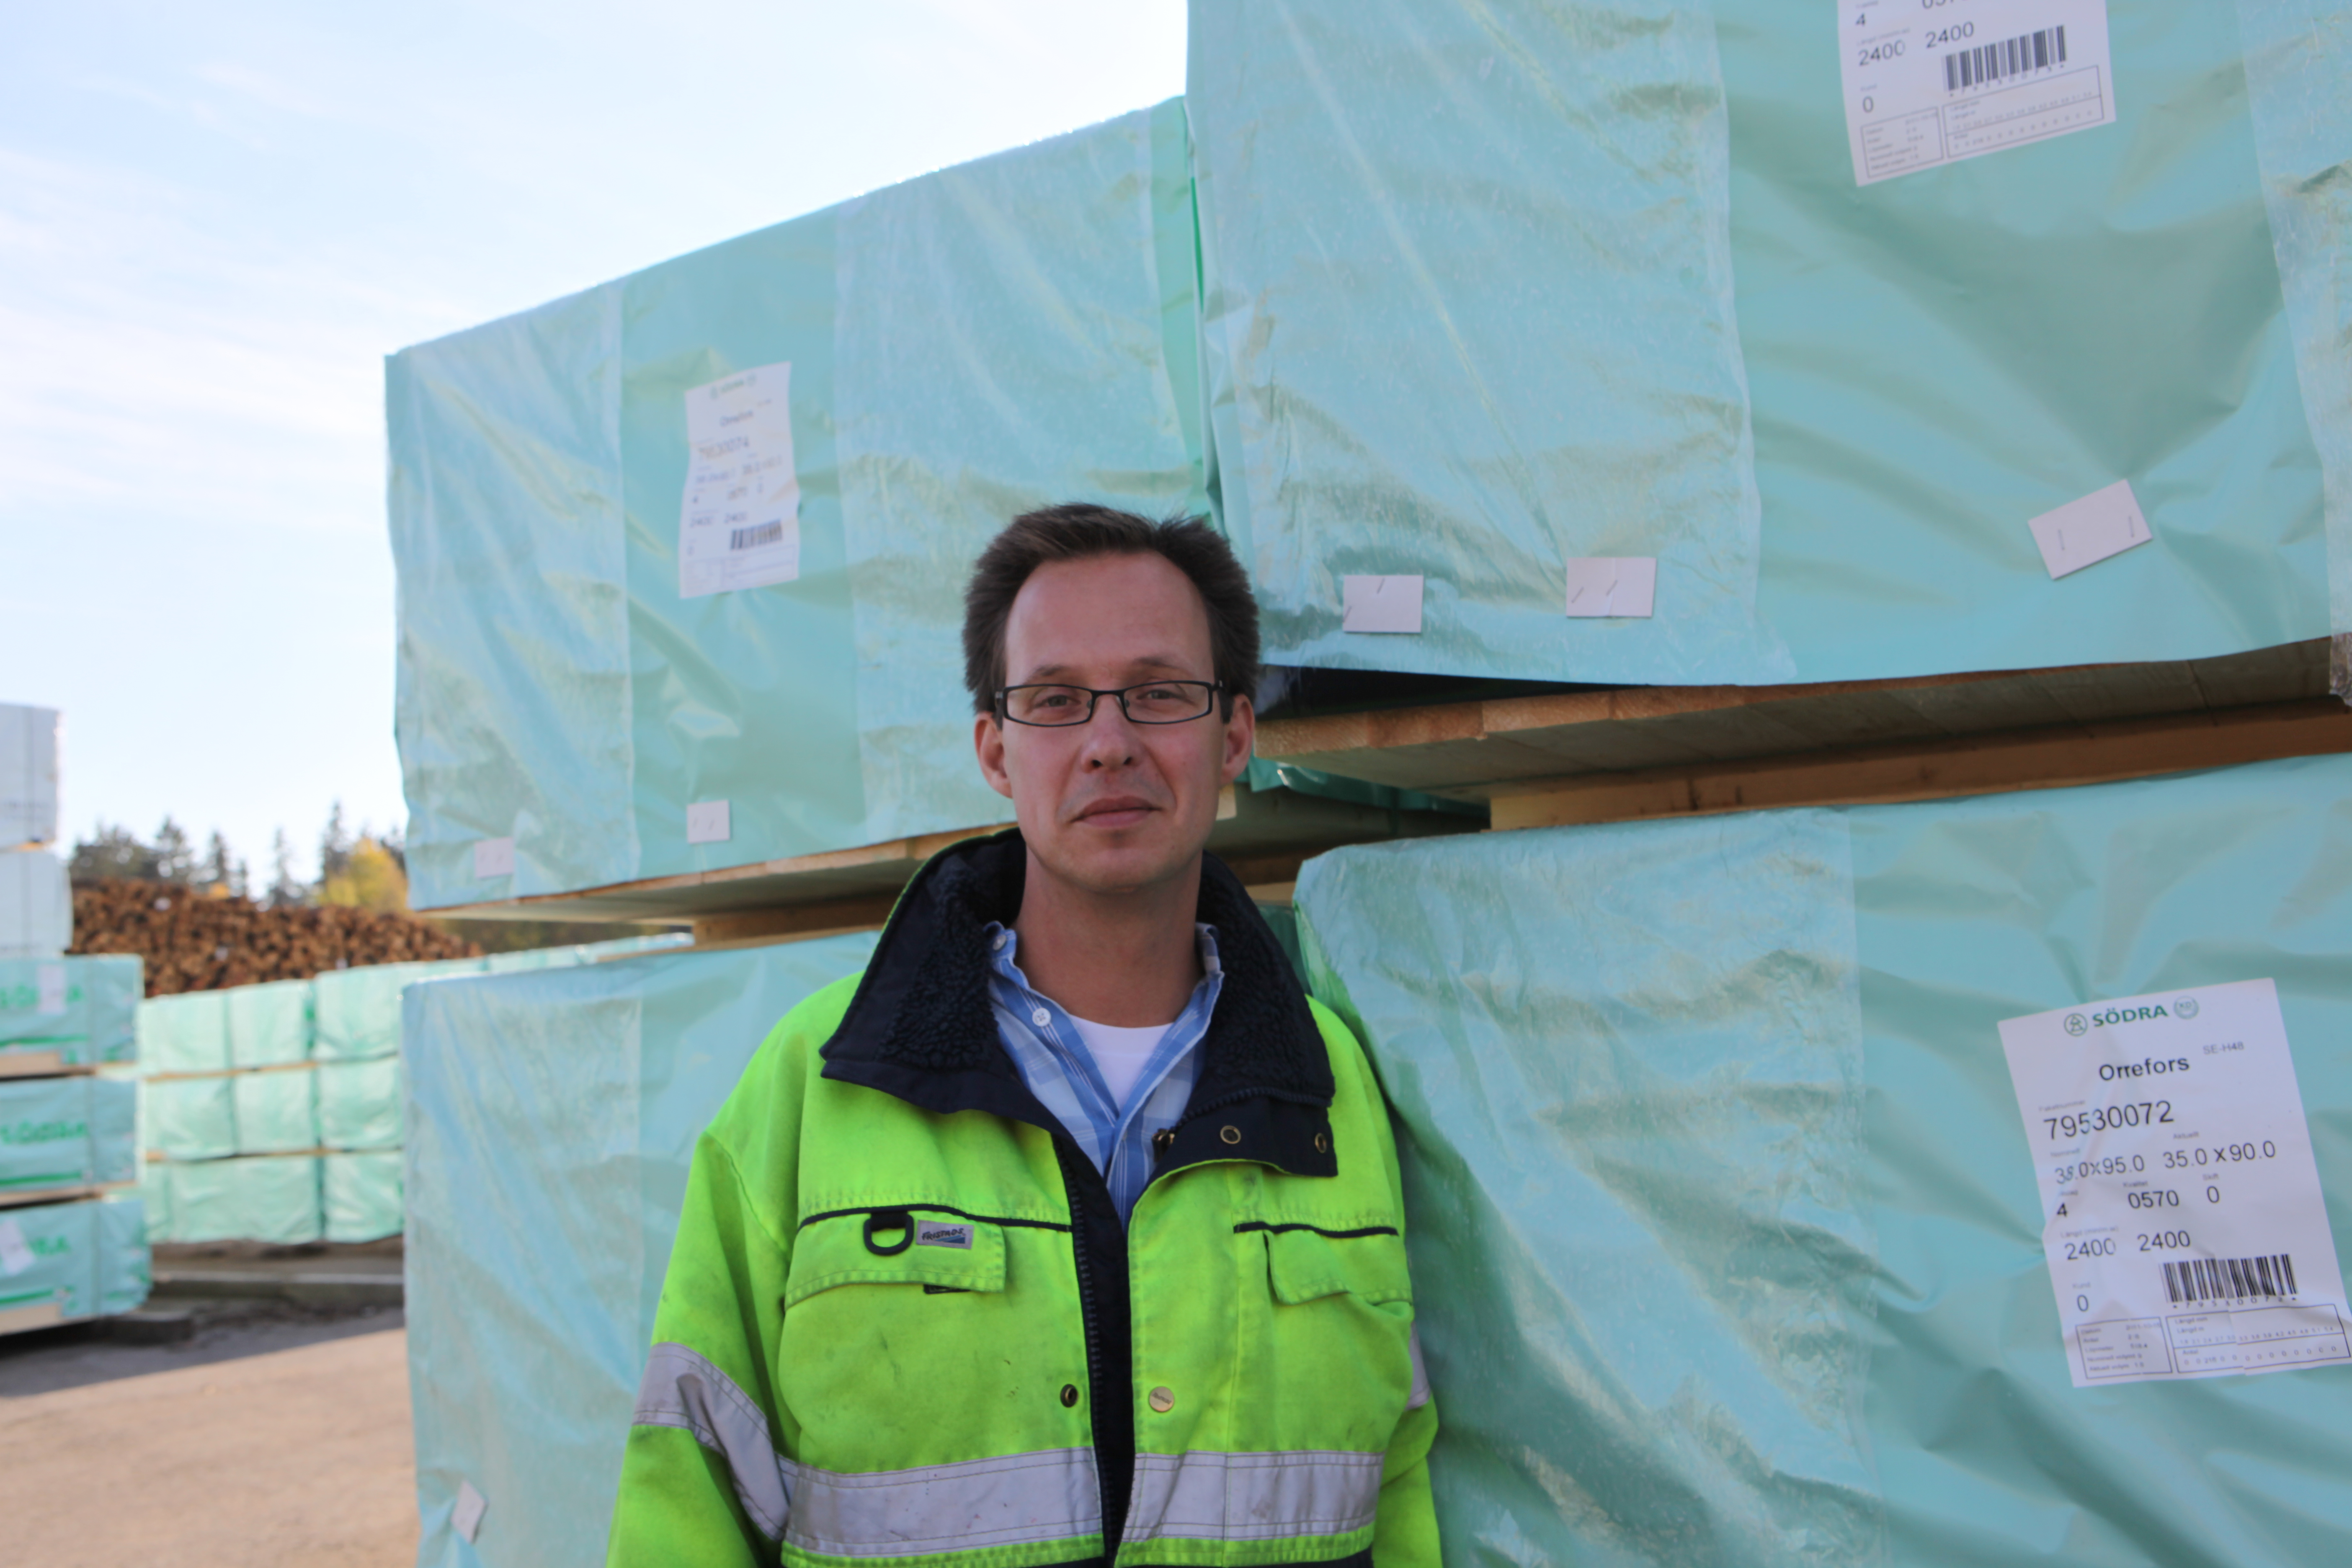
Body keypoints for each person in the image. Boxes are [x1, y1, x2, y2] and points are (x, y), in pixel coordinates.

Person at [608, 504, 1437, 1568]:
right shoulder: (816, 1086)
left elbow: (1395, 1481)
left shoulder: (1331, 1088)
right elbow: (689, 1491)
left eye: (1160, 693)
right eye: (1055, 701)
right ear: (995, 750)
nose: (1109, 743)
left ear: (1233, 736)